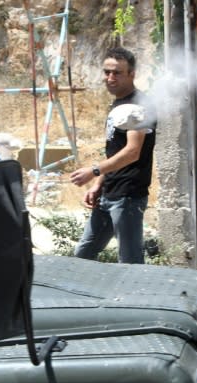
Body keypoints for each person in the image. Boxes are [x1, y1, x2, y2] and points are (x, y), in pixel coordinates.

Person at [69, 47, 157, 264]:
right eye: (107, 72)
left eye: (117, 72)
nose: (110, 78)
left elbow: (132, 152)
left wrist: (94, 171)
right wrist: (98, 184)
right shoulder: (119, 103)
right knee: (83, 254)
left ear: (132, 74)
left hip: (128, 196)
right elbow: (115, 150)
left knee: (130, 263)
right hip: (109, 193)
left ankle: (138, 299)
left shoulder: (138, 105)